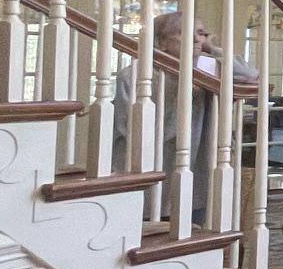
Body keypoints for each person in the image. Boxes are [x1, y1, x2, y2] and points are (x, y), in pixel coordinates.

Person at [110, 12, 257, 224]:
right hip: (153, 171)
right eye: (184, 32)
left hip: (196, 170)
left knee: (193, 232)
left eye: (200, 33)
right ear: (161, 42)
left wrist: (212, 48)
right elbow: (128, 132)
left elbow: (251, 74)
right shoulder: (134, 76)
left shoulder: (207, 69)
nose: (197, 39)